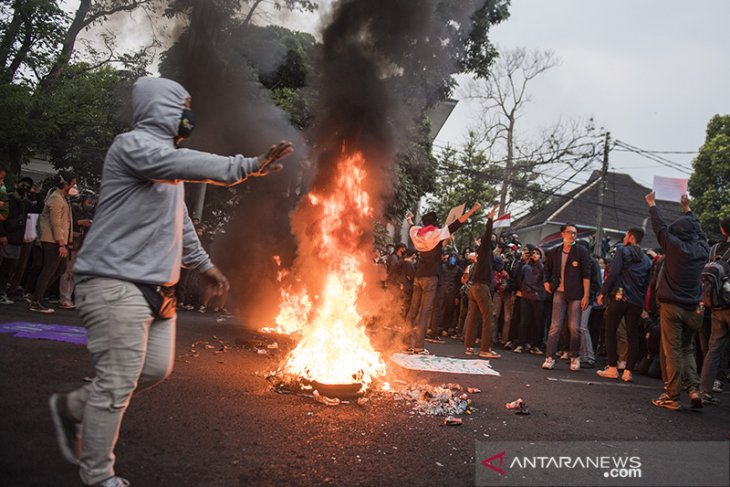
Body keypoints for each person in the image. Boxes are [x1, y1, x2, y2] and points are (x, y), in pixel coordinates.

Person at [48, 76, 293, 487]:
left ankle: (73, 408)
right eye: (184, 106)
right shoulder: (132, 147)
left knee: (155, 370)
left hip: (157, 289)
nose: (189, 115)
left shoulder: (167, 168)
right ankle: (97, 475)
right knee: (118, 380)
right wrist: (246, 166)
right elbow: (181, 165)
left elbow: (178, 222)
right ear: (163, 109)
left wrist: (205, 264)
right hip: (114, 282)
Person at [645, 192, 709, 410]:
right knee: (688, 349)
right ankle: (693, 390)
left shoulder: (673, 246)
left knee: (673, 351)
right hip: (694, 308)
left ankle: (672, 396)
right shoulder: (703, 248)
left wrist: (652, 204)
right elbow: (698, 229)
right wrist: (688, 209)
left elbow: (659, 227)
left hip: (672, 306)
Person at [405, 203, 481, 354]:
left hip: (418, 276)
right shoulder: (436, 234)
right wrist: (473, 210)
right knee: (425, 311)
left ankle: (404, 342)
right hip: (431, 277)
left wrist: (409, 219)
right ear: (434, 222)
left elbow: (412, 226)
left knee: (413, 309)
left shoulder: (416, 233)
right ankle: (419, 346)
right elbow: (458, 223)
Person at [595, 228, 652, 382]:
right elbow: (647, 283)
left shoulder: (622, 251)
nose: (624, 237)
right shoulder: (647, 260)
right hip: (636, 302)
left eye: (626, 235)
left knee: (610, 331)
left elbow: (613, 273)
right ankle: (628, 371)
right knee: (632, 335)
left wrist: (603, 292)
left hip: (620, 297)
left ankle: (612, 367)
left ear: (631, 237)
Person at [542, 223, 591, 371]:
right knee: (554, 326)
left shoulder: (581, 252)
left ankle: (574, 356)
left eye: (575, 233)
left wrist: (586, 295)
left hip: (576, 294)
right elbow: (546, 270)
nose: (572, 235)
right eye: (569, 232)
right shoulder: (555, 252)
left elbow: (586, 275)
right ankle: (549, 357)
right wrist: (546, 283)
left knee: (574, 327)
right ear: (562, 234)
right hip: (559, 291)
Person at [29, 172, 77, 313]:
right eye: (73, 184)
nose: (74, 187)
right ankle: (36, 301)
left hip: (59, 240)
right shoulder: (56, 198)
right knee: (49, 270)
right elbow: (55, 224)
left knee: (61, 269)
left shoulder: (63, 198)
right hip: (52, 240)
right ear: (66, 184)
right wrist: (61, 243)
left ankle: (38, 295)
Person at [463, 203, 501, 359]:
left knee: (473, 317)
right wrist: (490, 219)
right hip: (481, 287)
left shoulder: (482, 255)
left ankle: (469, 346)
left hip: (473, 288)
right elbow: (487, 236)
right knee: (488, 316)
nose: (492, 241)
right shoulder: (485, 250)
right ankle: (486, 348)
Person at [699, 215, 730, 405]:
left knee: (713, 349)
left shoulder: (713, 250)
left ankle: (704, 391)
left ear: (722, 230)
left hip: (716, 306)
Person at [0, 175, 31, 304]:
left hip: (17, 240)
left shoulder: (26, 202)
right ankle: (1, 293)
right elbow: (2, 218)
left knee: (8, 270)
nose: (25, 188)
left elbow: (38, 207)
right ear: (17, 184)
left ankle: (2, 293)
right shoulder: (8, 199)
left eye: (28, 187)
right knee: (3, 268)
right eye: (23, 185)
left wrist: (36, 194)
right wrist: (2, 234)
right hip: (6, 238)